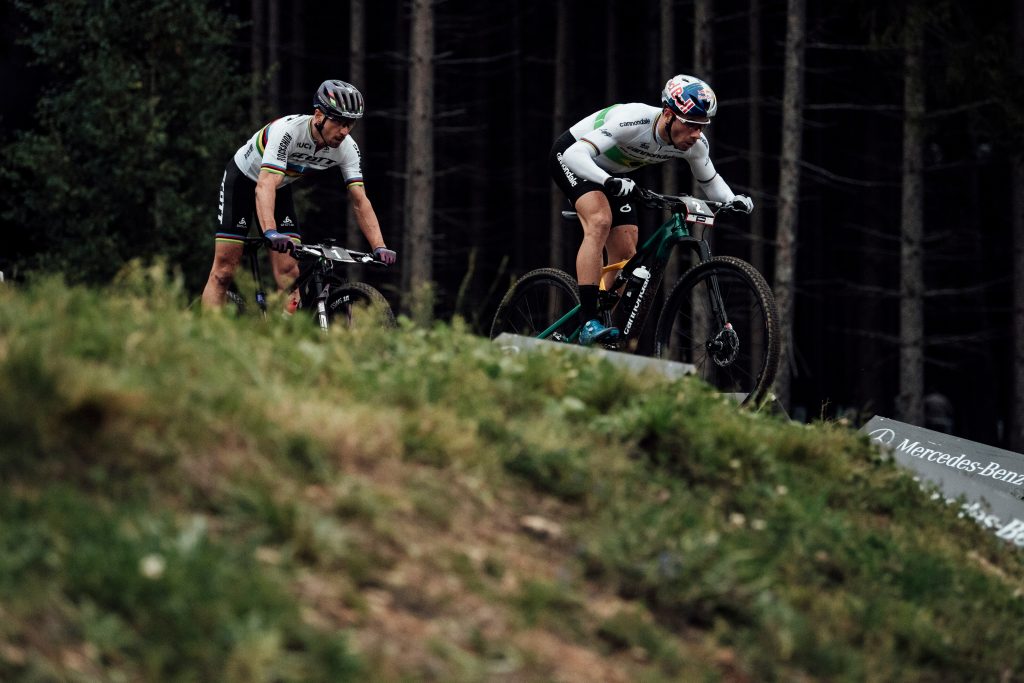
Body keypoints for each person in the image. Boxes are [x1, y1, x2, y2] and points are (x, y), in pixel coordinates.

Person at [549, 74, 753, 345]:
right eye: (691, 124)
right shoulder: (633, 120)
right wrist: (607, 181)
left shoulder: (695, 145)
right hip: (574, 157)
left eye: (702, 126)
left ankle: (594, 324)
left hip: (611, 174)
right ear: (668, 114)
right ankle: (588, 321)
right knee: (600, 220)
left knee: (626, 253)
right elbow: (575, 155)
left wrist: (732, 199)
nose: (696, 134)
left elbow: (710, 181)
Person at [202, 79, 397, 308]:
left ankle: (280, 336)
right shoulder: (287, 132)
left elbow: (360, 200)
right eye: (339, 122)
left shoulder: (347, 149)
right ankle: (204, 334)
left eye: (350, 124)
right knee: (224, 270)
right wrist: (270, 232)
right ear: (318, 116)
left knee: (289, 274)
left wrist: (379, 246)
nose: (344, 131)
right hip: (244, 181)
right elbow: (265, 184)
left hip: (280, 187)